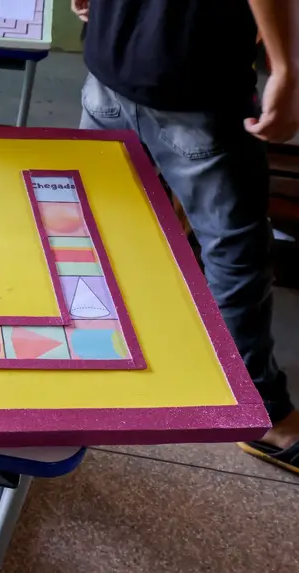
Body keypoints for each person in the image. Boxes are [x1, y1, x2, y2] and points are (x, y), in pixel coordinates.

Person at [72, 0, 299, 472]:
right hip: (193, 81)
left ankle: (101, 356)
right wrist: (287, 68)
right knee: (235, 251)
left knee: (100, 221)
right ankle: (264, 413)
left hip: (111, 58)